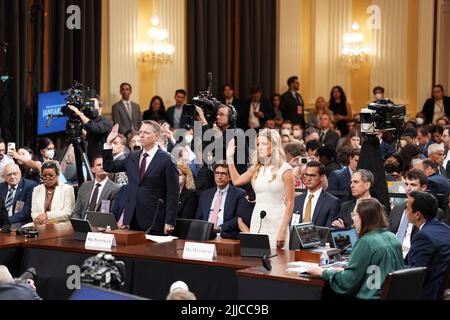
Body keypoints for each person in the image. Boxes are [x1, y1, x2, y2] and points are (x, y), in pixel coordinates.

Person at [307, 198, 405, 300]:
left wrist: (322, 272)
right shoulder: (392, 237)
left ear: (364, 217)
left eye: (354, 215)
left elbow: (347, 282)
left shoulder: (366, 241)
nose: (353, 219)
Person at [102, 121, 179, 234]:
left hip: (155, 219)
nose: (141, 135)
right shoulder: (132, 156)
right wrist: (108, 143)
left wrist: (170, 221)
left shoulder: (167, 160)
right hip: (132, 217)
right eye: (140, 132)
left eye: (146, 133)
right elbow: (109, 167)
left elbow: (173, 193)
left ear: (157, 136)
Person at [227, 129, 295, 249]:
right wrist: (229, 157)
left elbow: (290, 203)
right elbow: (236, 181)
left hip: (277, 220)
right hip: (257, 217)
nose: (259, 148)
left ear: (274, 146)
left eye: (264, 144)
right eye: (258, 144)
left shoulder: (285, 169)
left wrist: (283, 230)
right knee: (255, 257)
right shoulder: (256, 168)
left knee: (277, 262)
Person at [407, 191, 450, 300]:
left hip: (427, 293)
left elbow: (416, 275)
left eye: (407, 208)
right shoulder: (445, 229)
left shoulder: (423, 237)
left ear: (417, 215)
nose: (405, 211)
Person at [195, 164, 246, 239]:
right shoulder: (205, 194)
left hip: (225, 234)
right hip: (205, 234)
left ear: (230, 177)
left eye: (223, 174)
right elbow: (198, 217)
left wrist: (219, 228)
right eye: (217, 173)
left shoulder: (239, 194)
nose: (219, 177)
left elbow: (238, 219)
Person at [293, 162, 340, 227]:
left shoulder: (332, 202)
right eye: (306, 175)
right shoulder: (296, 200)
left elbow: (328, 231)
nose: (308, 179)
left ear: (321, 177)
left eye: (313, 175)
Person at [68, 96, 113, 163]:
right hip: (91, 159)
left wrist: (80, 114)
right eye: (88, 106)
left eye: (92, 106)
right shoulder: (89, 121)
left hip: (102, 161)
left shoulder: (106, 122)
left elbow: (95, 128)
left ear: (100, 109)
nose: (89, 109)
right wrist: (78, 127)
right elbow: (89, 136)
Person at [31, 161, 75, 225]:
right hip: (40, 224)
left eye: (51, 175)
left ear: (57, 175)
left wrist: (47, 215)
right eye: (44, 176)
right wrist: (41, 221)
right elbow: (34, 212)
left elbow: (68, 212)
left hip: (60, 225)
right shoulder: (37, 189)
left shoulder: (67, 189)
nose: (47, 178)